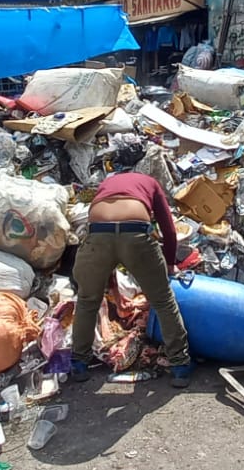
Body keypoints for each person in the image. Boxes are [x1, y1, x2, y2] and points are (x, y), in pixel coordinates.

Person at [70, 137, 194, 388]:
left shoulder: (107, 184)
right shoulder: (149, 182)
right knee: (162, 299)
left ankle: (78, 364)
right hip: (135, 234)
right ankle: (180, 365)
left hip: (97, 236)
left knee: (87, 301)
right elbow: (169, 230)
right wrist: (169, 263)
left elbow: (98, 224)